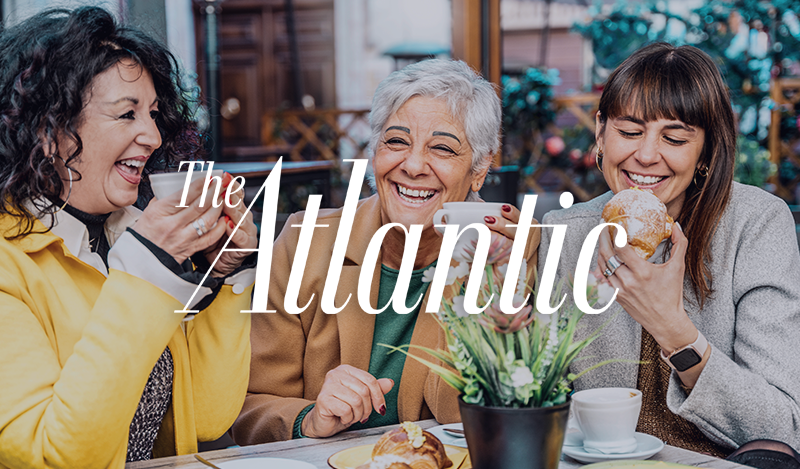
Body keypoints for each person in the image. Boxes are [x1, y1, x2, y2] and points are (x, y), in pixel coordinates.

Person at [0, 7, 258, 468]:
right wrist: (148, 269)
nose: (153, 136)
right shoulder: (9, 263)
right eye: (127, 114)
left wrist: (225, 274)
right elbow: (51, 456)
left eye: (155, 114)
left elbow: (206, 418)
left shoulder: (127, 236)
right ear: (47, 130)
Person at [232, 59, 539, 444]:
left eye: (442, 148)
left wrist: (487, 286)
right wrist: (308, 419)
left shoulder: (511, 252)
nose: (412, 165)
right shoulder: (304, 242)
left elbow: (484, 421)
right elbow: (247, 405)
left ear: (479, 169)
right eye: (396, 141)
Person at [538, 43, 800, 468]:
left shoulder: (756, 225)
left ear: (705, 152)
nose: (645, 155)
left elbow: (784, 428)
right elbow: (537, 398)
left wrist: (674, 331)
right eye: (629, 132)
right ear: (600, 131)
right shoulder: (566, 233)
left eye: (675, 138)